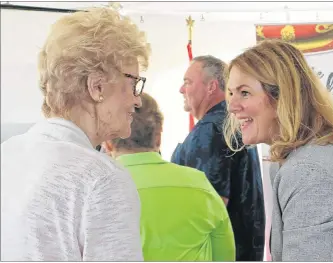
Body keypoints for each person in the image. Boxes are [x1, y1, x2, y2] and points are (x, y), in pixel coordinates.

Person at [224, 39, 333, 261]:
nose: (231, 106)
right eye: (231, 93)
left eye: (244, 92)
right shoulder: (324, 148)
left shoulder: (310, 169)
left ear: (282, 97)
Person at [1, 7, 150, 261]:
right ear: (97, 86)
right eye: (133, 83)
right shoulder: (101, 179)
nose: (137, 100)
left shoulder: (8, 154)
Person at [103, 93, 236, 261]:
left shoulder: (98, 192)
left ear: (108, 142)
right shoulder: (200, 186)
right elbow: (225, 256)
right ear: (158, 138)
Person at [171, 55, 265, 261]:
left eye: (187, 82)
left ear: (211, 87)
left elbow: (208, 209)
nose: (181, 89)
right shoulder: (232, 124)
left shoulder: (210, 130)